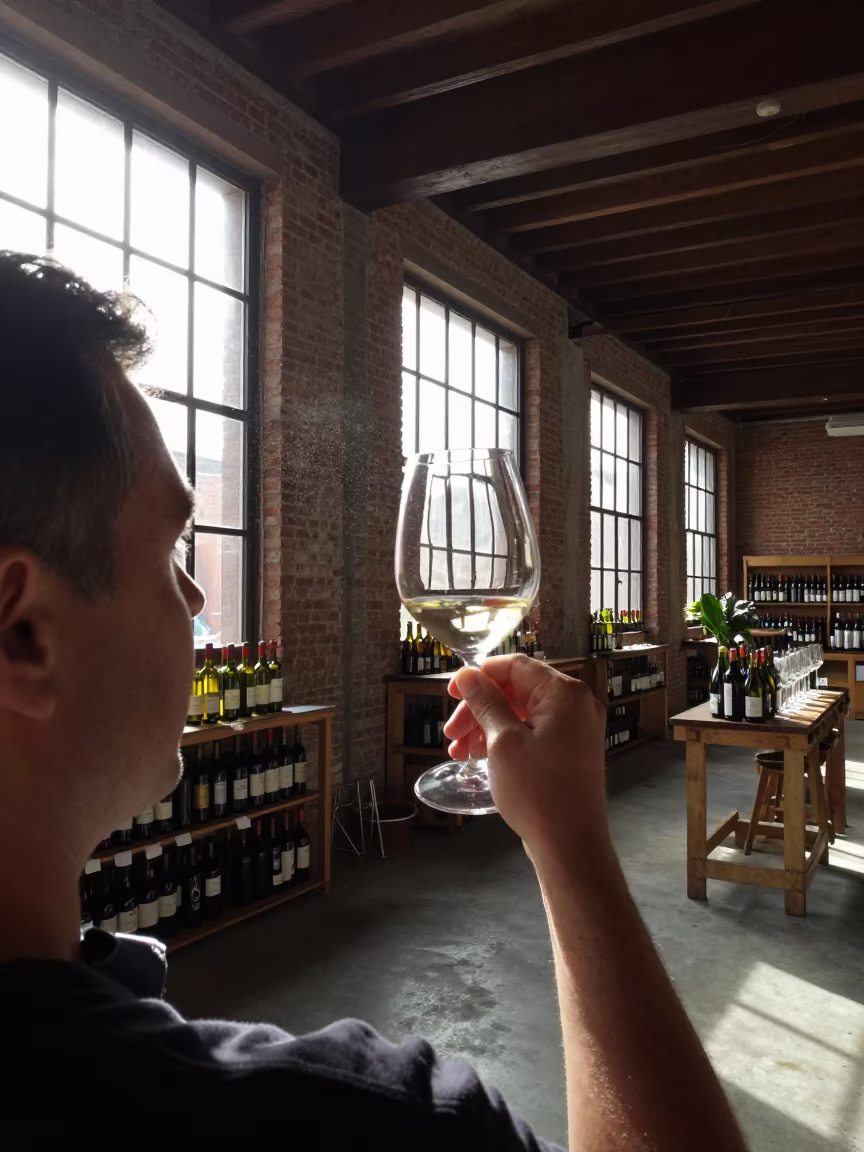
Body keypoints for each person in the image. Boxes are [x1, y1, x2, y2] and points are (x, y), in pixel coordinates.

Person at [0, 252, 746, 1148]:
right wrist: (574, 844)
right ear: (23, 637)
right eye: (170, 554)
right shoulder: (360, 1121)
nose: (197, 600)